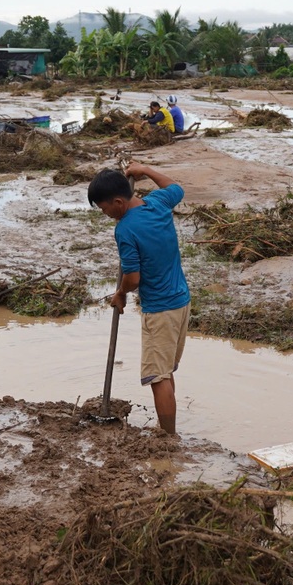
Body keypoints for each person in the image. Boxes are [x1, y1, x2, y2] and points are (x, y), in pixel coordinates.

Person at [88, 162, 190, 435]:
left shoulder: (125, 230)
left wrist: (120, 294)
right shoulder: (157, 204)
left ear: (118, 202)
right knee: (165, 372)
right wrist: (146, 170)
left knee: (157, 377)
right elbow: (176, 188)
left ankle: (169, 438)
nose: (105, 214)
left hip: (160, 310)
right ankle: (167, 425)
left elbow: (133, 279)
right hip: (182, 301)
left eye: (104, 208)